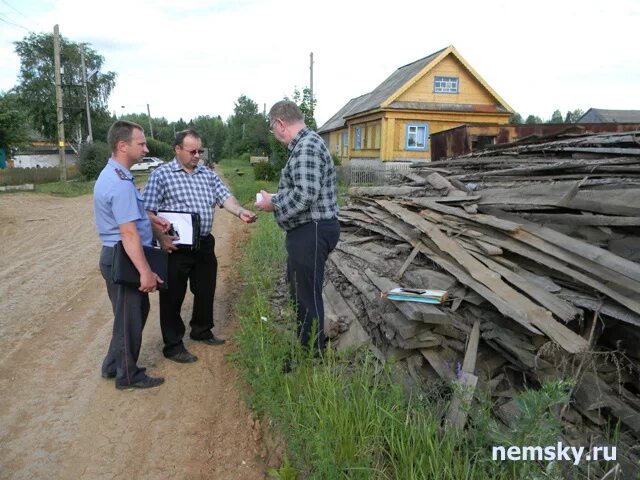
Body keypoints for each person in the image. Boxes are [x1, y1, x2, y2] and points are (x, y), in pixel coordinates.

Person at [143, 128, 257, 364]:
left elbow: (225, 197)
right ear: (177, 149)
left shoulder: (207, 174)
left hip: (204, 242)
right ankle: (173, 345)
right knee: (172, 296)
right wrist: (160, 237)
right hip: (175, 246)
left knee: (206, 289)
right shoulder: (161, 175)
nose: (197, 155)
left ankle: (201, 330)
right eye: (192, 151)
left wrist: (240, 211)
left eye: (200, 151)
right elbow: (147, 211)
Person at [255, 100, 340, 353]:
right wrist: (277, 199)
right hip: (308, 230)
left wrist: (274, 202)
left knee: (307, 296)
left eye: (272, 128)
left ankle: (313, 355)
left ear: (280, 123)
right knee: (301, 293)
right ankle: (308, 347)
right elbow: (303, 191)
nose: (274, 133)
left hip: (312, 230)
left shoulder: (307, 146)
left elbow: (304, 195)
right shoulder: (306, 145)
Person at [93, 121, 168, 390]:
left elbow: (126, 215)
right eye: (141, 143)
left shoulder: (114, 174)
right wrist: (146, 272)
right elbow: (129, 234)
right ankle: (127, 375)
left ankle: (113, 364)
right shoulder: (121, 183)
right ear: (122, 146)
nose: (146, 149)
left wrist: (150, 218)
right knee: (130, 316)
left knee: (128, 313)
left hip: (116, 255)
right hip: (124, 257)